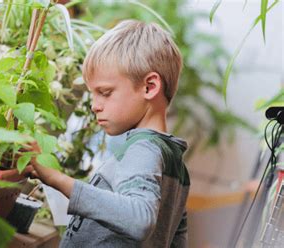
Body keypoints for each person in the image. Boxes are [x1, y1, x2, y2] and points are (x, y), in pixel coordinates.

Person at [26, 20, 190, 247]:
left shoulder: (144, 149)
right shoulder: (176, 165)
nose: (95, 105)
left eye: (105, 92)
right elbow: (177, 240)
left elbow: (140, 219)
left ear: (149, 87)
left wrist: (55, 178)